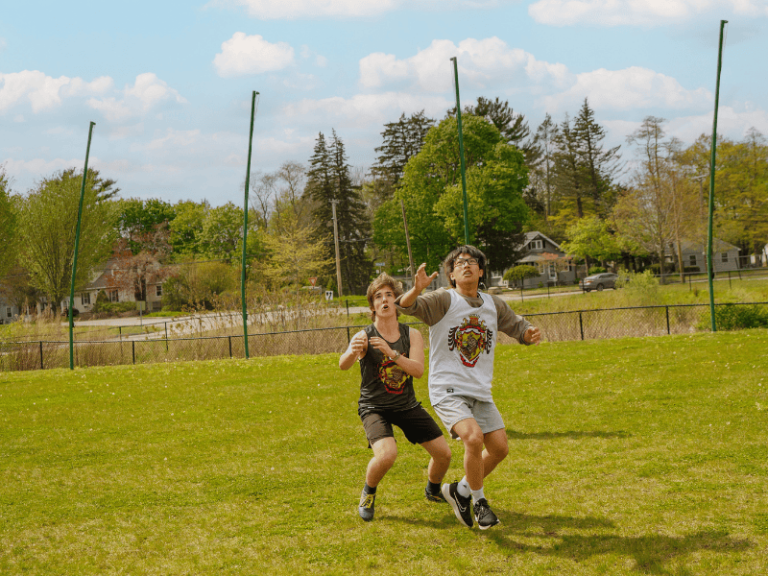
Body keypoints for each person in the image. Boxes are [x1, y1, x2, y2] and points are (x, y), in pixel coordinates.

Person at [396, 245, 541, 530]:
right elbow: (406, 306)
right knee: (473, 439)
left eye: (472, 262)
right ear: (451, 274)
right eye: (460, 263)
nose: (466, 265)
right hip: (447, 388)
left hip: (480, 391)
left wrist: (528, 333)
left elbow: (516, 326)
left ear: (481, 271)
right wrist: (416, 289)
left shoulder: (493, 304)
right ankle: (480, 503)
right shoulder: (442, 300)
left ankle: (459, 491)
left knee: (499, 449)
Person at [339, 273, 452, 522]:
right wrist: (353, 351)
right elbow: (343, 364)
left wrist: (392, 354)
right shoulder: (364, 335)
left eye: (389, 294)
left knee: (444, 455)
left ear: (397, 302)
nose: (385, 299)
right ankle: (368, 493)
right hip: (374, 407)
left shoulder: (411, 335)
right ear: (373, 306)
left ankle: (433, 490)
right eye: (378, 296)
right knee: (387, 455)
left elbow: (418, 371)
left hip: (406, 405)